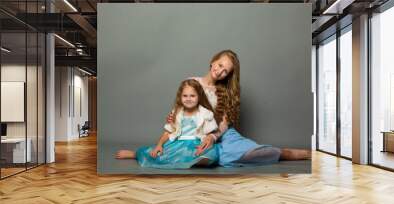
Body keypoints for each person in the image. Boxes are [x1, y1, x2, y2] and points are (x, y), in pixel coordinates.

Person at [116, 49, 311, 167]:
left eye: (225, 71)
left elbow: (224, 123)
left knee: (255, 152)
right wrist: (172, 118)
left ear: (228, 75)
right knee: (169, 153)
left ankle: (293, 153)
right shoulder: (191, 82)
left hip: (221, 134)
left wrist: (213, 137)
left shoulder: (225, 91)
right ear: (212, 61)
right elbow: (179, 111)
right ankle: (136, 154)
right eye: (219, 65)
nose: (220, 71)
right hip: (194, 133)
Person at [120, 79, 219, 169]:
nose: (188, 99)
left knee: (212, 154)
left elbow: (211, 133)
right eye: (185, 96)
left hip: (197, 143)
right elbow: (167, 132)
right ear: (180, 97)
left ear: (199, 96)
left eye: (192, 96)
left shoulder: (205, 114)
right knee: (157, 155)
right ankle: (135, 154)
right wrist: (159, 145)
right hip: (179, 143)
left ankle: (199, 160)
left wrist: (208, 139)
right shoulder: (176, 113)